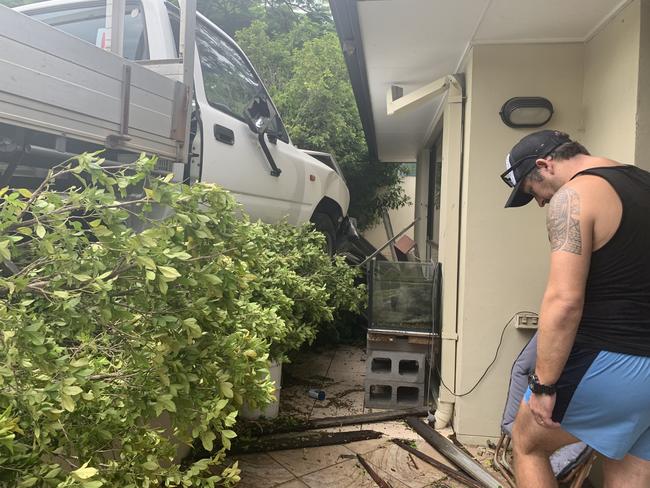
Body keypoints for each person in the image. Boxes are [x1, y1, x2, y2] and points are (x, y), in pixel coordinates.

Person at [500, 130, 650, 488]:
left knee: (527, 444)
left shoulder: (574, 196)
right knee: (630, 463)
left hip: (611, 358)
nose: (538, 202)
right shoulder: (644, 183)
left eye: (531, 191)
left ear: (544, 165)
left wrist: (543, 386)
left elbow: (564, 302)